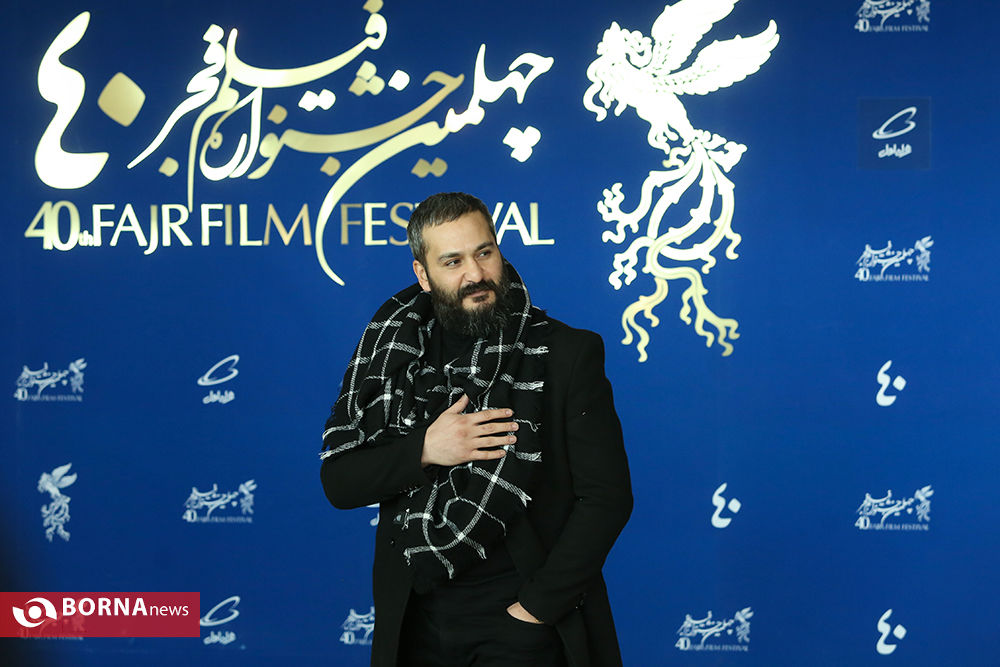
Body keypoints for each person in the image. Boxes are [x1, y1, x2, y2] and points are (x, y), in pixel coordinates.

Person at [321, 192, 632, 667]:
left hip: (522, 628)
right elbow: (340, 482)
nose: (476, 274)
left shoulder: (566, 354)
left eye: (484, 253)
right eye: (453, 261)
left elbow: (607, 498)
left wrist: (534, 612)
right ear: (423, 275)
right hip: (417, 623)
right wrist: (425, 449)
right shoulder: (389, 359)